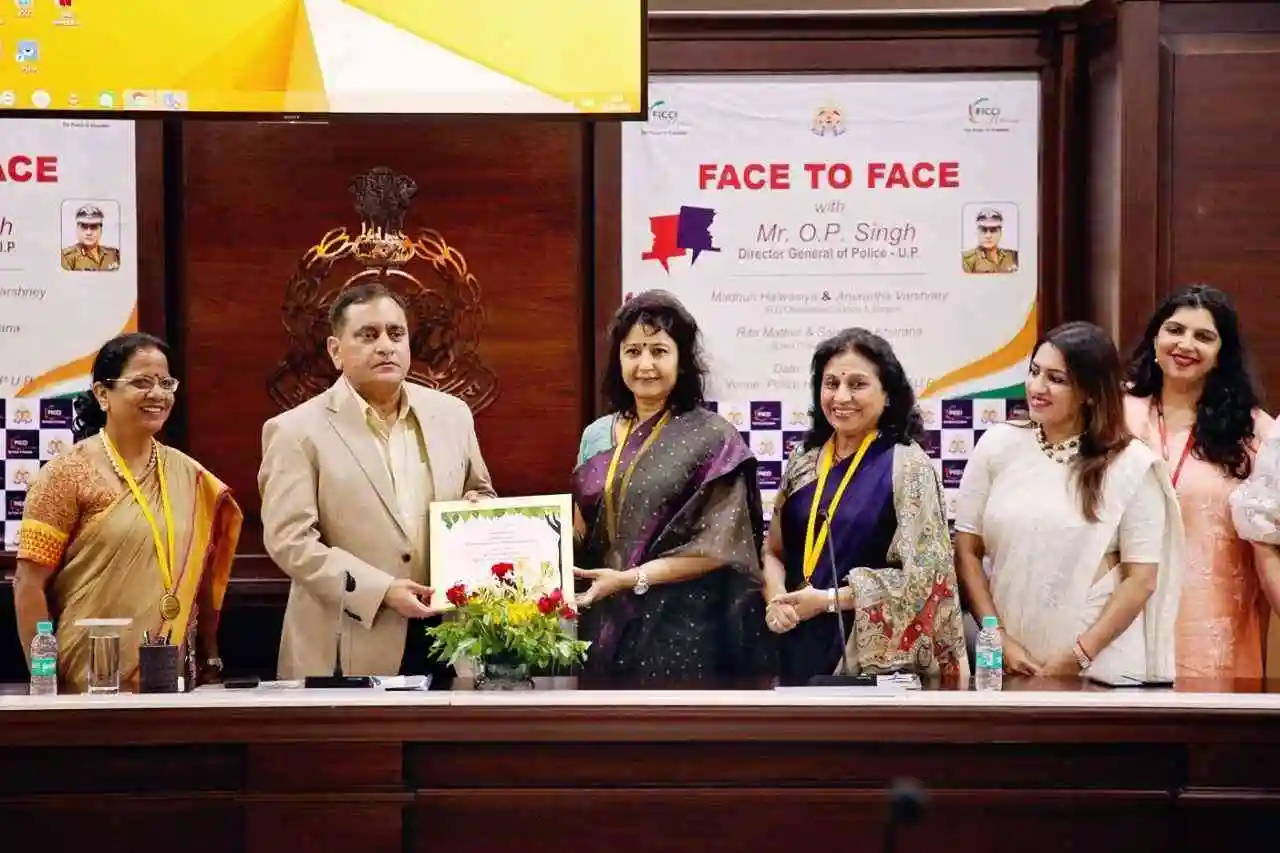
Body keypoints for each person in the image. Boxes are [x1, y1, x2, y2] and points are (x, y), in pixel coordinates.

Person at [258, 281, 495, 684]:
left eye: (395, 333)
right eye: (368, 335)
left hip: (448, 638)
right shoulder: (295, 431)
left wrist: (479, 510)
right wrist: (381, 590)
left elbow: (481, 491)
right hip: (349, 641)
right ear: (335, 350)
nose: (386, 346)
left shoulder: (452, 415)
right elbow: (290, 542)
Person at [12, 333, 242, 692]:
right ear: (103, 394)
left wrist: (210, 658)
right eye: (142, 382)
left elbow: (201, 577)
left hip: (170, 675)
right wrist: (46, 682)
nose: (158, 394)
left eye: (166, 383)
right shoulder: (66, 474)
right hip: (85, 678)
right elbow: (29, 584)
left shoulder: (189, 475)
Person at [955, 322, 1184, 681]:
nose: (1037, 387)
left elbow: (1141, 580)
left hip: (1100, 669)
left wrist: (1078, 656)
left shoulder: (1132, 465)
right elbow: (967, 550)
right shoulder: (998, 445)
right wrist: (996, 637)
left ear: (1090, 392)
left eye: (1056, 379)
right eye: (1034, 372)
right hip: (1008, 662)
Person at [572, 290, 771, 680]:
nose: (645, 364)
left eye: (659, 351)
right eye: (633, 351)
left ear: (682, 362)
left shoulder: (714, 438)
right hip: (604, 623)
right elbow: (582, 531)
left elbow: (722, 546)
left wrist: (631, 578)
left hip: (683, 631)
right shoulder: (597, 435)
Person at [763, 328, 966, 684]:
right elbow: (773, 551)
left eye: (857, 384)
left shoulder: (908, 466)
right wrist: (777, 599)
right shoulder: (803, 460)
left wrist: (827, 600)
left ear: (887, 395)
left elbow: (925, 581)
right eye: (831, 384)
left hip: (871, 665)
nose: (841, 396)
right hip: (794, 645)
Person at [1124, 284, 1277, 679]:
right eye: (1175, 330)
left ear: (1222, 353)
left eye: (1204, 336)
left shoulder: (1254, 432)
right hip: (1122, 620)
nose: (1185, 345)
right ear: (1155, 338)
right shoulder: (1116, 417)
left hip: (1212, 626)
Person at [60, 204, 121, 272]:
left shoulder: (113, 255)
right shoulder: (67, 257)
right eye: (84, 227)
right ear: (77, 229)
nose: (88, 233)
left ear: (101, 230)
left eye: (94, 227)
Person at [960, 207, 1018, 274]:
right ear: (977, 233)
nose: (988, 236)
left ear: (1000, 233)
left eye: (993, 230)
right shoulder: (967, 260)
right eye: (983, 230)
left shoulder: (1013, 256)